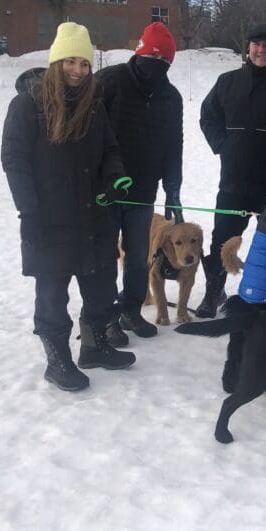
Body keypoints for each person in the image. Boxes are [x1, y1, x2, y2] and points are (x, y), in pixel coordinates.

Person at [1, 22, 136, 392]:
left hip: (93, 214)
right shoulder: (28, 105)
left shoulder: (94, 106)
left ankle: (94, 346)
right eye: (70, 61)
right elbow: (14, 161)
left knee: (100, 284)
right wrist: (28, 212)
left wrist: (116, 177)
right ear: (56, 60)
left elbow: (110, 149)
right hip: (49, 217)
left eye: (85, 64)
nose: (78, 70)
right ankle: (57, 359)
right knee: (52, 291)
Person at [198, 23, 266, 317]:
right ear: (248, 47)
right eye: (256, 44)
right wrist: (223, 145)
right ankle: (213, 292)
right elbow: (208, 116)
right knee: (222, 240)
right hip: (234, 181)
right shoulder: (227, 82)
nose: (261, 50)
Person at [97, 21, 183, 345]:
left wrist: (172, 189)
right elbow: (88, 134)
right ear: (139, 54)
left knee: (138, 256)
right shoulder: (109, 82)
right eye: (152, 59)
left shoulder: (171, 97)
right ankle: (104, 318)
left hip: (143, 192)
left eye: (164, 64)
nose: (156, 68)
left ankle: (130, 309)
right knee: (104, 255)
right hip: (105, 190)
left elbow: (175, 145)